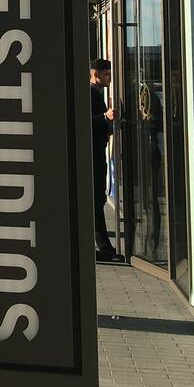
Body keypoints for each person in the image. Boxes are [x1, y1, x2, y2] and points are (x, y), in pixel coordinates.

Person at [90, 58, 118, 260]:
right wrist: (105, 117)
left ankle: (104, 247)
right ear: (95, 74)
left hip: (98, 151)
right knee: (96, 201)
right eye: (106, 74)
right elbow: (81, 121)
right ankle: (104, 248)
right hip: (93, 153)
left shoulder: (97, 93)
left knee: (98, 200)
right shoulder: (89, 94)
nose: (109, 78)